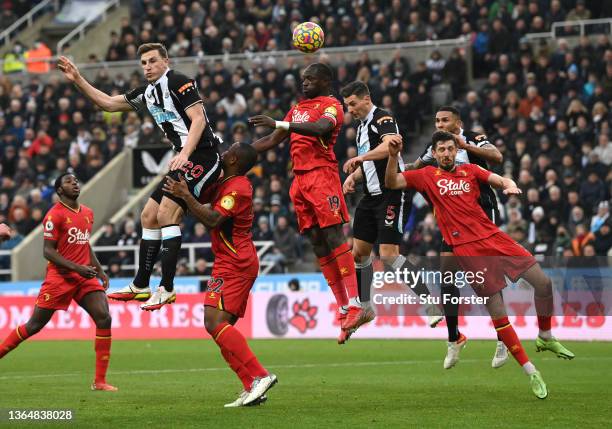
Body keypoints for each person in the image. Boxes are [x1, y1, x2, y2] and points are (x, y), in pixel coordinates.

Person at [385, 131, 575, 399]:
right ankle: (531, 370)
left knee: (543, 283)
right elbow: (392, 181)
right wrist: (393, 156)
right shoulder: (426, 176)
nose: (447, 153)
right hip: (468, 251)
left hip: (495, 238)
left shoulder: (470, 169)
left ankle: (545, 334)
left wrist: (508, 184)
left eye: (451, 148)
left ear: (455, 150)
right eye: (442, 149)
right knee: (498, 312)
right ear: (435, 153)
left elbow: (497, 179)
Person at [58, 43, 223, 311]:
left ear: (165, 61)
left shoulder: (179, 81)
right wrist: (78, 79)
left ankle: (167, 288)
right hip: (184, 158)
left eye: (152, 61)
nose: (147, 66)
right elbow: (109, 104)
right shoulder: (147, 94)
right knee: (148, 215)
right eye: (143, 63)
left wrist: (185, 153)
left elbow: (198, 120)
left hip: (203, 155)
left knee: (166, 215)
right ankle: (141, 284)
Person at [250, 63, 362, 340]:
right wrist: (239, 153)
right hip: (299, 180)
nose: (305, 83)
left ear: (325, 80)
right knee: (315, 239)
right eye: (303, 79)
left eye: (311, 79)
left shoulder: (331, 104)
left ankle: (357, 303)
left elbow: (321, 127)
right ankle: (344, 306)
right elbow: (273, 139)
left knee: (333, 234)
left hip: (322, 176)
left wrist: (280, 122)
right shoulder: (298, 107)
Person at [163, 143, 277, 407]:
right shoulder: (226, 182)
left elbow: (213, 219)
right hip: (228, 260)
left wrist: (186, 196)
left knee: (213, 322)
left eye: (228, 151)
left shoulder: (237, 188)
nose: (223, 153)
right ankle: (250, 385)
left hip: (236, 261)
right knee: (215, 325)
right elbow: (202, 197)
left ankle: (260, 375)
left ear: (234, 159)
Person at [340, 81, 443, 344]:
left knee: (388, 254)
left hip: (391, 192)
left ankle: (430, 302)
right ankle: (365, 307)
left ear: (366, 99)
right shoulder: (362, 127)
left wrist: (360, 160)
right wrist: (355, 175)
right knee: (359, 253)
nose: (349, 109)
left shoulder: (382, 118)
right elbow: (373, 159)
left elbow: (390, 146)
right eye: (346, 105)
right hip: (370, 195)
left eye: (352, 104)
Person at [408, 106, 507, 369]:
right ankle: (454, 338)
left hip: (482, 216)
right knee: (447, 278)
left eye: (445, 120)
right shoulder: (435, 148)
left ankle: (503, 337)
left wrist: (466, 146)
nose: (440, 124)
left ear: (458, 122)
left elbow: (496, 156)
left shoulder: (472, 138)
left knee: (488, 279)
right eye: (437, 120)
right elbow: (414, 167)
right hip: (452, 221)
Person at [0, 173, 116, 391]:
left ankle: (100, 381)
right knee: (34, 325)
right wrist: (77, 267)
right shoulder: (54, 216)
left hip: (84, 277)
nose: (75, 183)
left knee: (104, 317)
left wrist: (100, 270)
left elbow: (85, 244)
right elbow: (48, 252)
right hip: (60, 278)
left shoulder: (88, 214)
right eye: (69, 181)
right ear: (59, 190)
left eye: (76, 180)